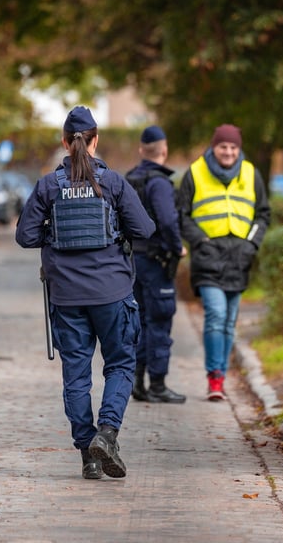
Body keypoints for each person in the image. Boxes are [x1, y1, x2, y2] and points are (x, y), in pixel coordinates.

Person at [14, 106, 155, 480]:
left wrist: (56, 235)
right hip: (112, 293)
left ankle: (87, 456)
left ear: (64, 142)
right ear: (96, 141)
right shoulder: (113, 183)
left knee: (76, 376)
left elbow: (25, 236)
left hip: (67, 298)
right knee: (121, 365)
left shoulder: (48, 185)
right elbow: (145, 229)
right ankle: (107, 434)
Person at [177, 124, 271, 401]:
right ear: (213, 147)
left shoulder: (252, 173)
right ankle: (214, 377)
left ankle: (222, 376)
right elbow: (181, 215)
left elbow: (263, 215)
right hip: (208, 259)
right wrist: (201, 241)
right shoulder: (195, 173)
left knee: (229, 322)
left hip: (239, 259)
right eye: (223, 147)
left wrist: (251, 243)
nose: (228, 152)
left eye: (233, 147)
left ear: (238, 149)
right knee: (216, 315)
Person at [125, 126, 187, 404]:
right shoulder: (159, 182)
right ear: (164, 150)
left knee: (136, 322)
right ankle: (158, 385)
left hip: (131, 262)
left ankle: (137, 382)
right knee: (159, 321)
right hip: (156, 261)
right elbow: (168, 221)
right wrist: (178, 248)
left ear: (141, 150)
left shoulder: (129, 178)